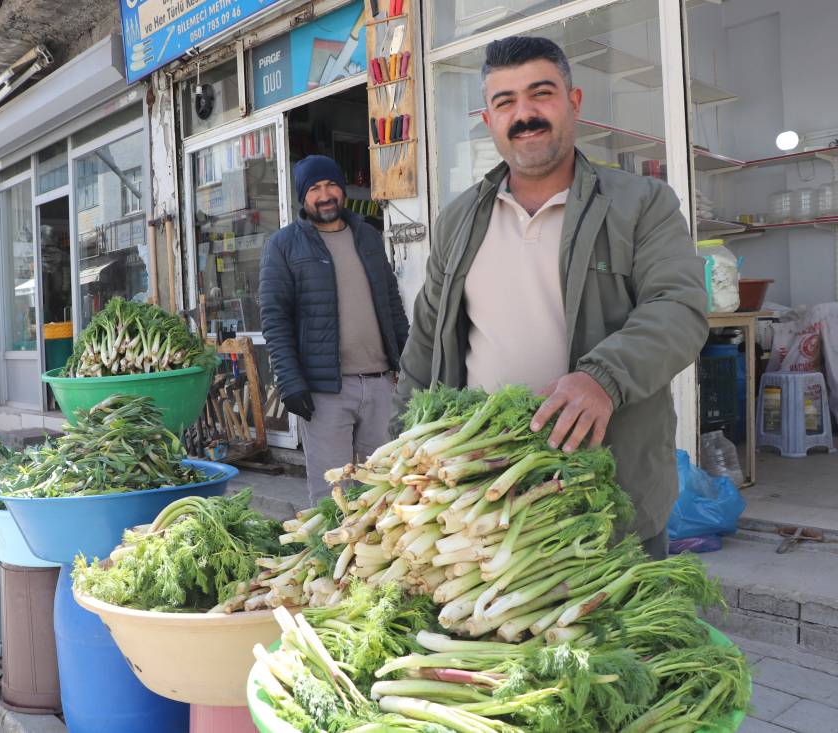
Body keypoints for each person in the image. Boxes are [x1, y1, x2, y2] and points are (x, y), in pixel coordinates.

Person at [392, 37, 708, 559]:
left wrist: (603, 378)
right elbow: (425, 345)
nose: (525, 114)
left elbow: (679, 309)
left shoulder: (639, 205)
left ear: (573, 101)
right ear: (487, 118)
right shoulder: (458, 220)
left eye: (541, 94)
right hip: (480, 495)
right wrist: (399, 450)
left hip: (605, 493)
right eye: (505, 102)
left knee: (617, 635)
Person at [260, 155, 410, 503]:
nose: (325, 195)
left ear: (342, 190)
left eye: (331, 185)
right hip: (325, 391)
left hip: (379, 385)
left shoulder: (369, 238)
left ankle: (375, 558)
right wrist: (291, 383)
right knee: (333, 498)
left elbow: (392, 305)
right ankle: (331, 558)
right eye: (314, 188)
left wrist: (406, 362)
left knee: (383, 490)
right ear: (303, 197)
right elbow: (275, 320)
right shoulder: (284, 246)